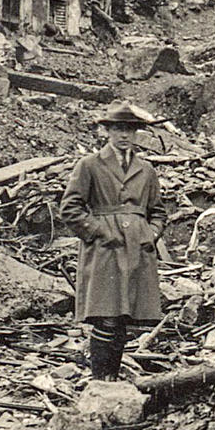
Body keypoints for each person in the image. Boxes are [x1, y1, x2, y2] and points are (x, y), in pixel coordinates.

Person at [64, 101, 168, 382]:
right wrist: (100, 232)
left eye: (130, 131)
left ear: (136, 135)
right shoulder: (89, 165)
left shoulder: (146, 170)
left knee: (124, 317)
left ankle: (111, 377)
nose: (124, 136)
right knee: (105, 315)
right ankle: (101, 378)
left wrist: (150, 233)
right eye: (118, 129)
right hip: (105, 249)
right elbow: (70, 209)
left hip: (136, 248)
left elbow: (158, 211)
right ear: (106, 132)